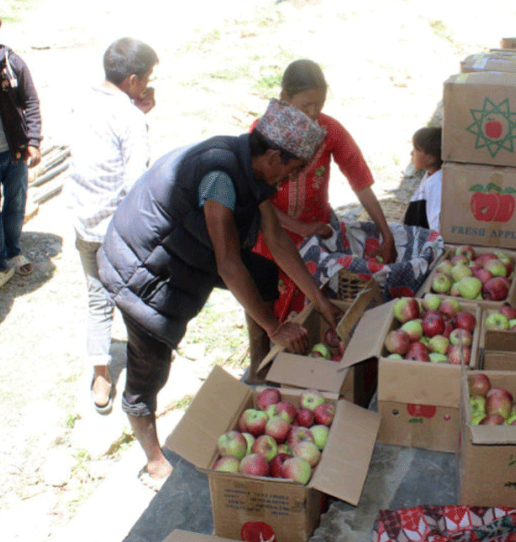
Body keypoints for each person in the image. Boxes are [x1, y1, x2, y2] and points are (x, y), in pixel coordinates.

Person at [97, 100, 341, 489]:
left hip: (189, 248)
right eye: (293, 170)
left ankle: (261, 365)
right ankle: (155, 460)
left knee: (262, 273)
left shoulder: (254, 167)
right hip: (143, 266)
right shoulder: (221, 176)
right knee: (151, 361)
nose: (291, 179)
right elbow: (228, 263)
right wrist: (275, 326)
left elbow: (276, 239)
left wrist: (320, 302)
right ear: (275, 156)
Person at [252, 59, 397, 322]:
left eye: (319, 104)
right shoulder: (263, 133)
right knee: (272, 311)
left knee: (319, 309)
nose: (313, 112)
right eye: (306, 105)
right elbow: (255, 195)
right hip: (272, 236)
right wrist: (297, 226)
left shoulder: (330, 130)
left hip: (317, 232)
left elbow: (360, 182)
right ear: (284, 98)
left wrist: (386, 234)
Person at [66, 38, 158, 415]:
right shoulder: (130, 118)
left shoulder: (85, 99)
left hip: (83, 222)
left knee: (95, 298)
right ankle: (143, 370)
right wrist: (141, 116)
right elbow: (135, 181)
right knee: (133, 299)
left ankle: (101, 376)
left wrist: (136, 110)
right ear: (133, 79)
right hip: (115, 231)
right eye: (148, 78)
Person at [0, 6, 42, 294]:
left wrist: (33, 141)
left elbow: (31, 103)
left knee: (15, 203)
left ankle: (12, 250)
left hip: (14, 153)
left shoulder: (11, 63)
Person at [403, 126, 442, 232]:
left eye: (416, 149)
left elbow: (435, 224)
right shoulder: (430, 175)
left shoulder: (437, 183)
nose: (411, 153)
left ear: (431, 158)